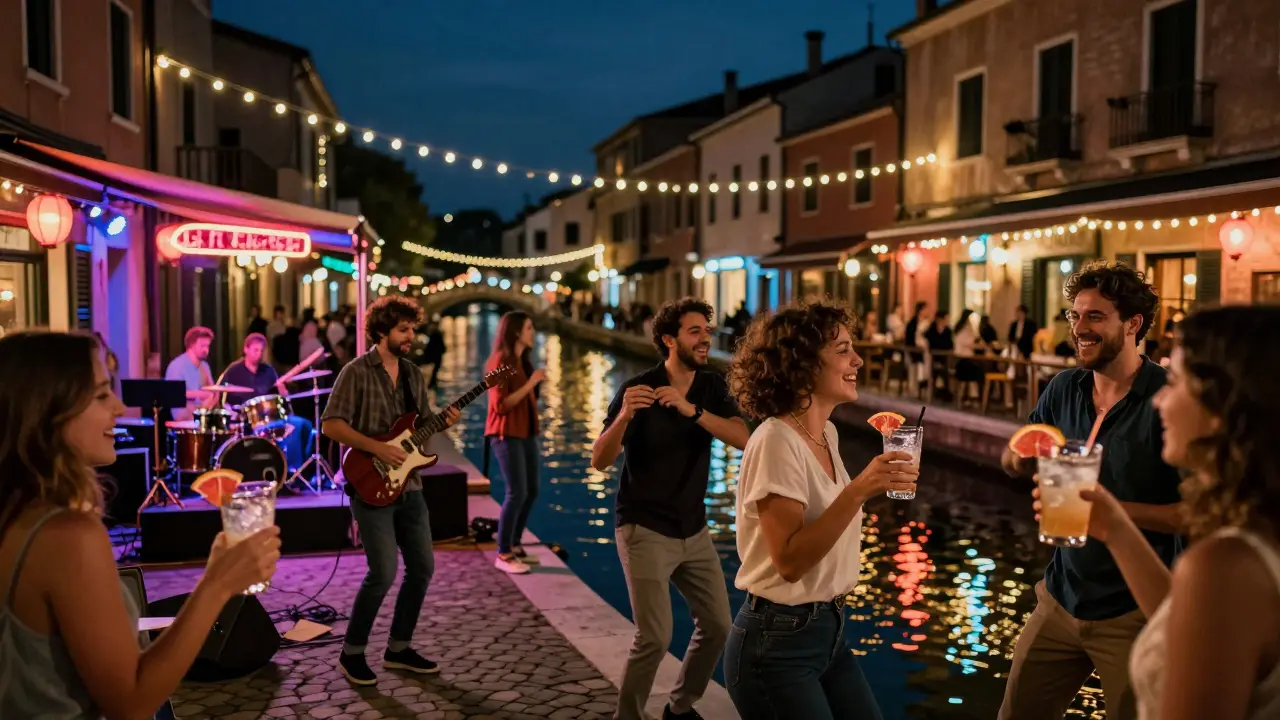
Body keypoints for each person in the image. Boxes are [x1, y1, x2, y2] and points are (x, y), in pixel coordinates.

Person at [0, 330, 279, 719]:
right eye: (100, 394)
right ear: (47, 412)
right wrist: (217, 585)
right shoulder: (66, 535)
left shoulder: (17, 513)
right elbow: (131, 701)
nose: (118, 406)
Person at [1030, 305, 1280, 719]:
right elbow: (1183, 624)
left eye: (1177, 381)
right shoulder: (1258, 540)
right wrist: (1113, 526)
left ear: (1226, 407)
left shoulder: (1226, 565)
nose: (1161, 398)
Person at [999, 261, 1184, 720]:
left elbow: (1193, 514)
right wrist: (1021, 459)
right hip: (1060, 597)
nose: (1079, 328)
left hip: (1134, 613)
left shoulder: (1168, 399)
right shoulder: (1064, 387)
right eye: (1075, 316)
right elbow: (1013, 457)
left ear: (1133, 324)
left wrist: (1111, 514)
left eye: (1095, 317)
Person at [722, 301, 916, 719]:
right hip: (777, 644)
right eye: (844, 349)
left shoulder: (825, 433)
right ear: (805, 365)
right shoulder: (776, 440)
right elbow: (789, 562)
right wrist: (860, 490)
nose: (857, 359)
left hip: (829, 632)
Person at [591, 297, 750, 720]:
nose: (705, 339)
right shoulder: (637, 390)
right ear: (669, 339)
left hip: (692, 528)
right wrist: (624, 416)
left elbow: (744, 438)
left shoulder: (711, 386)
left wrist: (692, 411)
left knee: (718, 625)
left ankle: (679, 708)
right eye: (694, 331)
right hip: (644, 528)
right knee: (655, 637)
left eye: (707, 331)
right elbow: (599, 459)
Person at [321, 296, 460, 686]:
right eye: (403, 330)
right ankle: (352, 653)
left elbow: (422, 426)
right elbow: (331, 424)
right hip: (369, 484)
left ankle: (399, 648)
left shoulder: (414, 374)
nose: (411, 337)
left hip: (410, 485)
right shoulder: (356, 371)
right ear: (382, 331)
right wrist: (375, 447)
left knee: (423, 569)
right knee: (382, 573)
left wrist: (444, 422)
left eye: (412, 329)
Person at [485, 312, 546, 574]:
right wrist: (531, 384)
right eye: (529, 328)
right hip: (506, 433)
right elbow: (501, 405)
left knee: (532, 490)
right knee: (516, 491)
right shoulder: (501, 360)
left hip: (525, 432)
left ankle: (516, 544)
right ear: (516, 332)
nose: (533, 332)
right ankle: (504, 552)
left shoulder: (522, 361)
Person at [219, 333, 314, 472]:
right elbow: (224, 401)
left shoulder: (268, 371)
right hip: (248, 420)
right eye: (255, 350)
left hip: (271, 416)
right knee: (288, 427)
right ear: (246, 349)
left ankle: (299, 472)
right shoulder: (233, 371)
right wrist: (233, 413)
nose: (259, 354)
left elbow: (281, 399)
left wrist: (283, 392)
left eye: (261, 351)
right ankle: (290, 471)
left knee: (303, 424)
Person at [164, 326, 217, 421]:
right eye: (202, 346)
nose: (206, 350)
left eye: (207, 346)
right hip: (184, 417)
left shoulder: (204, 366)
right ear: (191, 345)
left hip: (201, 415)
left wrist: (214, 396)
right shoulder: (177, 365)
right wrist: (202, 395)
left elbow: (213, 389)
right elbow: (174, 392)